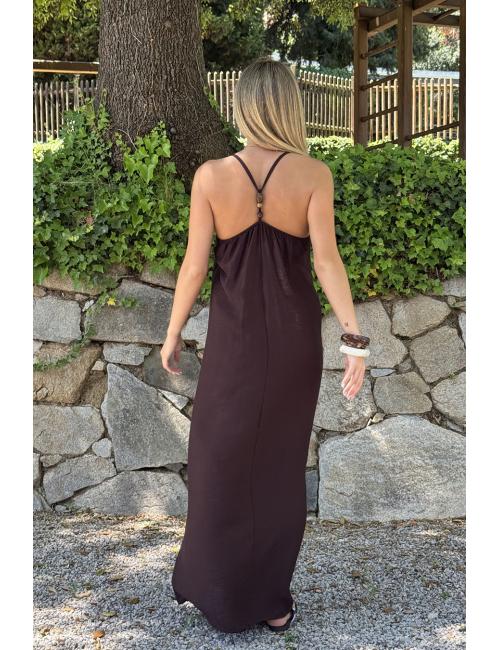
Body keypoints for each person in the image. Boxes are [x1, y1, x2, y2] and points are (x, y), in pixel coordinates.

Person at [161, 57, 370, 634]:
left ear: (244, 106)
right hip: (295, 341)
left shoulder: (210, 177)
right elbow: (327, 261)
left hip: (234, 341)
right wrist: (353, 339)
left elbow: (194, 266)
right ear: (289, 107)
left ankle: (220, 591)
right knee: (279, 466)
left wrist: (174, 331)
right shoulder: (313, 174)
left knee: (218, 458)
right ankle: (273, 601)